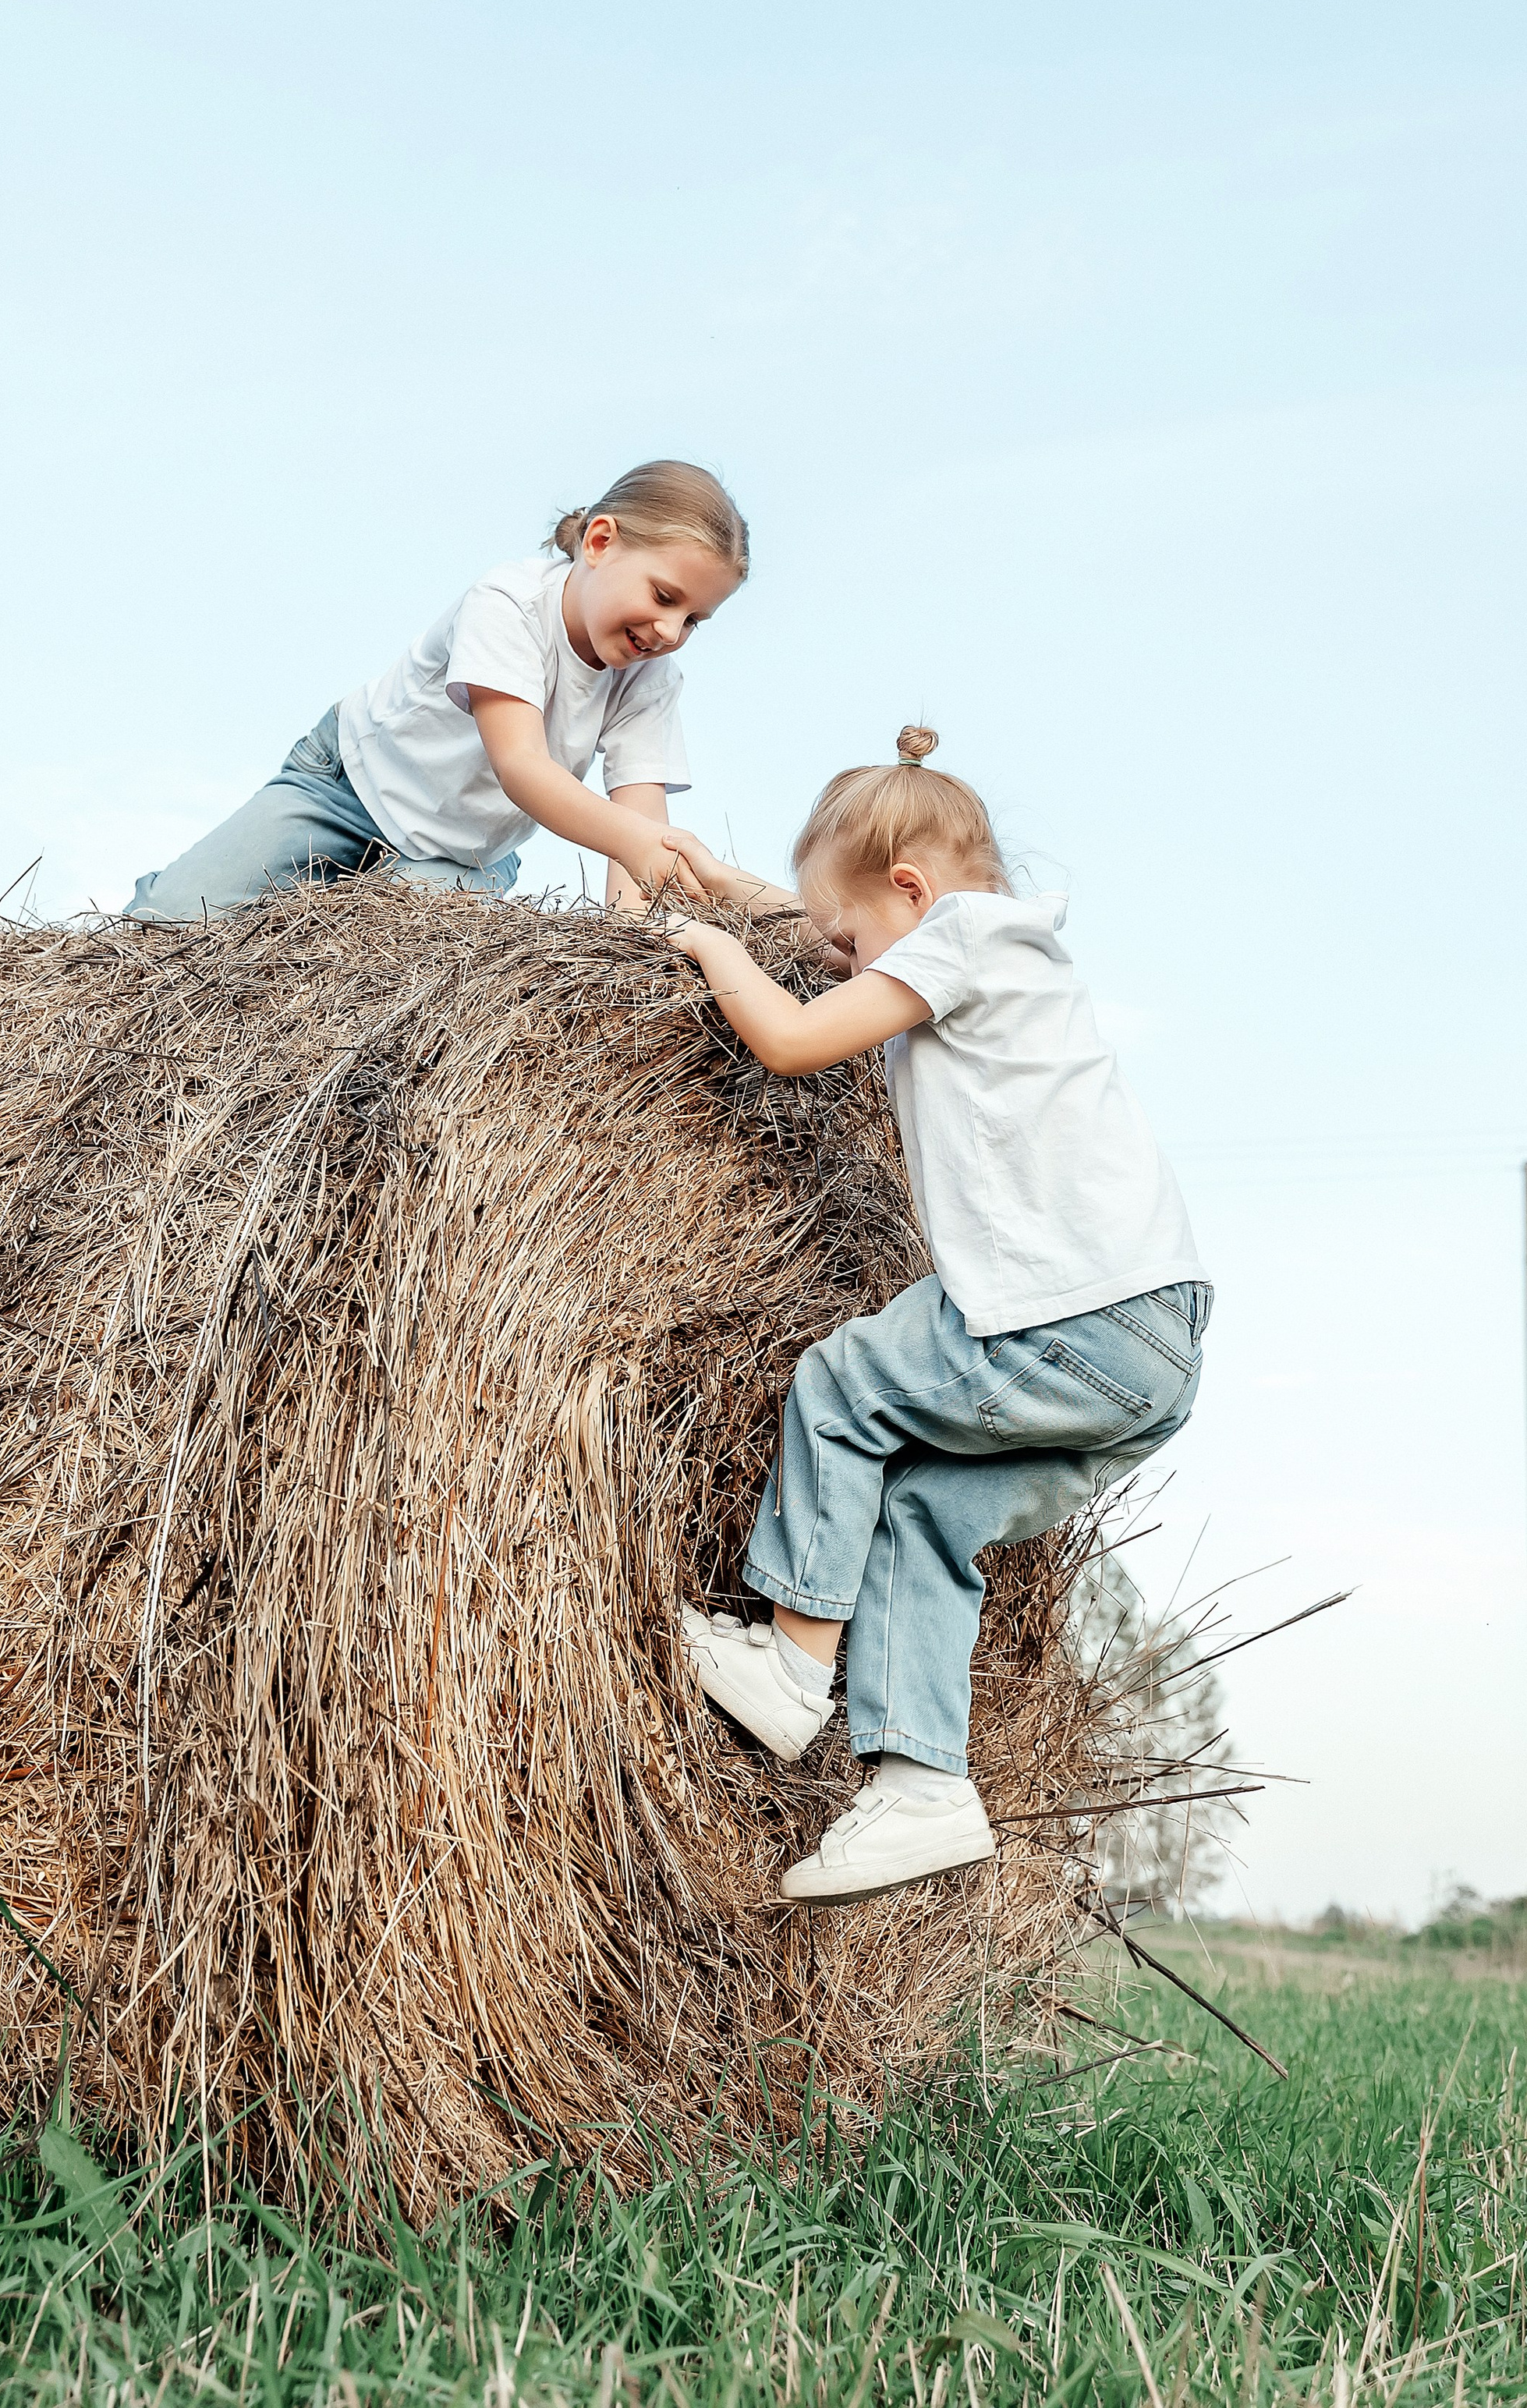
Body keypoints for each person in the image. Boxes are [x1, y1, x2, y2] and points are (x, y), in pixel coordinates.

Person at [658, 731, 1209, 1906]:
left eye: (847, 939)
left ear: (911, 888)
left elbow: (795, 1034)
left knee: (844, 1381)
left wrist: (703, 942)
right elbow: (844, 934)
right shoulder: (994, 942)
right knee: (919, 1513)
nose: (835, 958)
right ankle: (921, 1786)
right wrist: (729, 883)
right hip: (1143, 1353)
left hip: (1071, 1315)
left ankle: (790, 1668)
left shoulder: (958, 936)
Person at [123, 461, 749, 922]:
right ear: (600, 542)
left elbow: (639, 829)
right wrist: (639, 845)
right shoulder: (508, 603)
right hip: (350, 787)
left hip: (461, 857)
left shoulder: (651, 679)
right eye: (664, 596)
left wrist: (630, 937)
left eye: (694, 620)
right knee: (168, 922)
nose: (670, 630)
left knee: (389, 989)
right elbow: (522, 766)